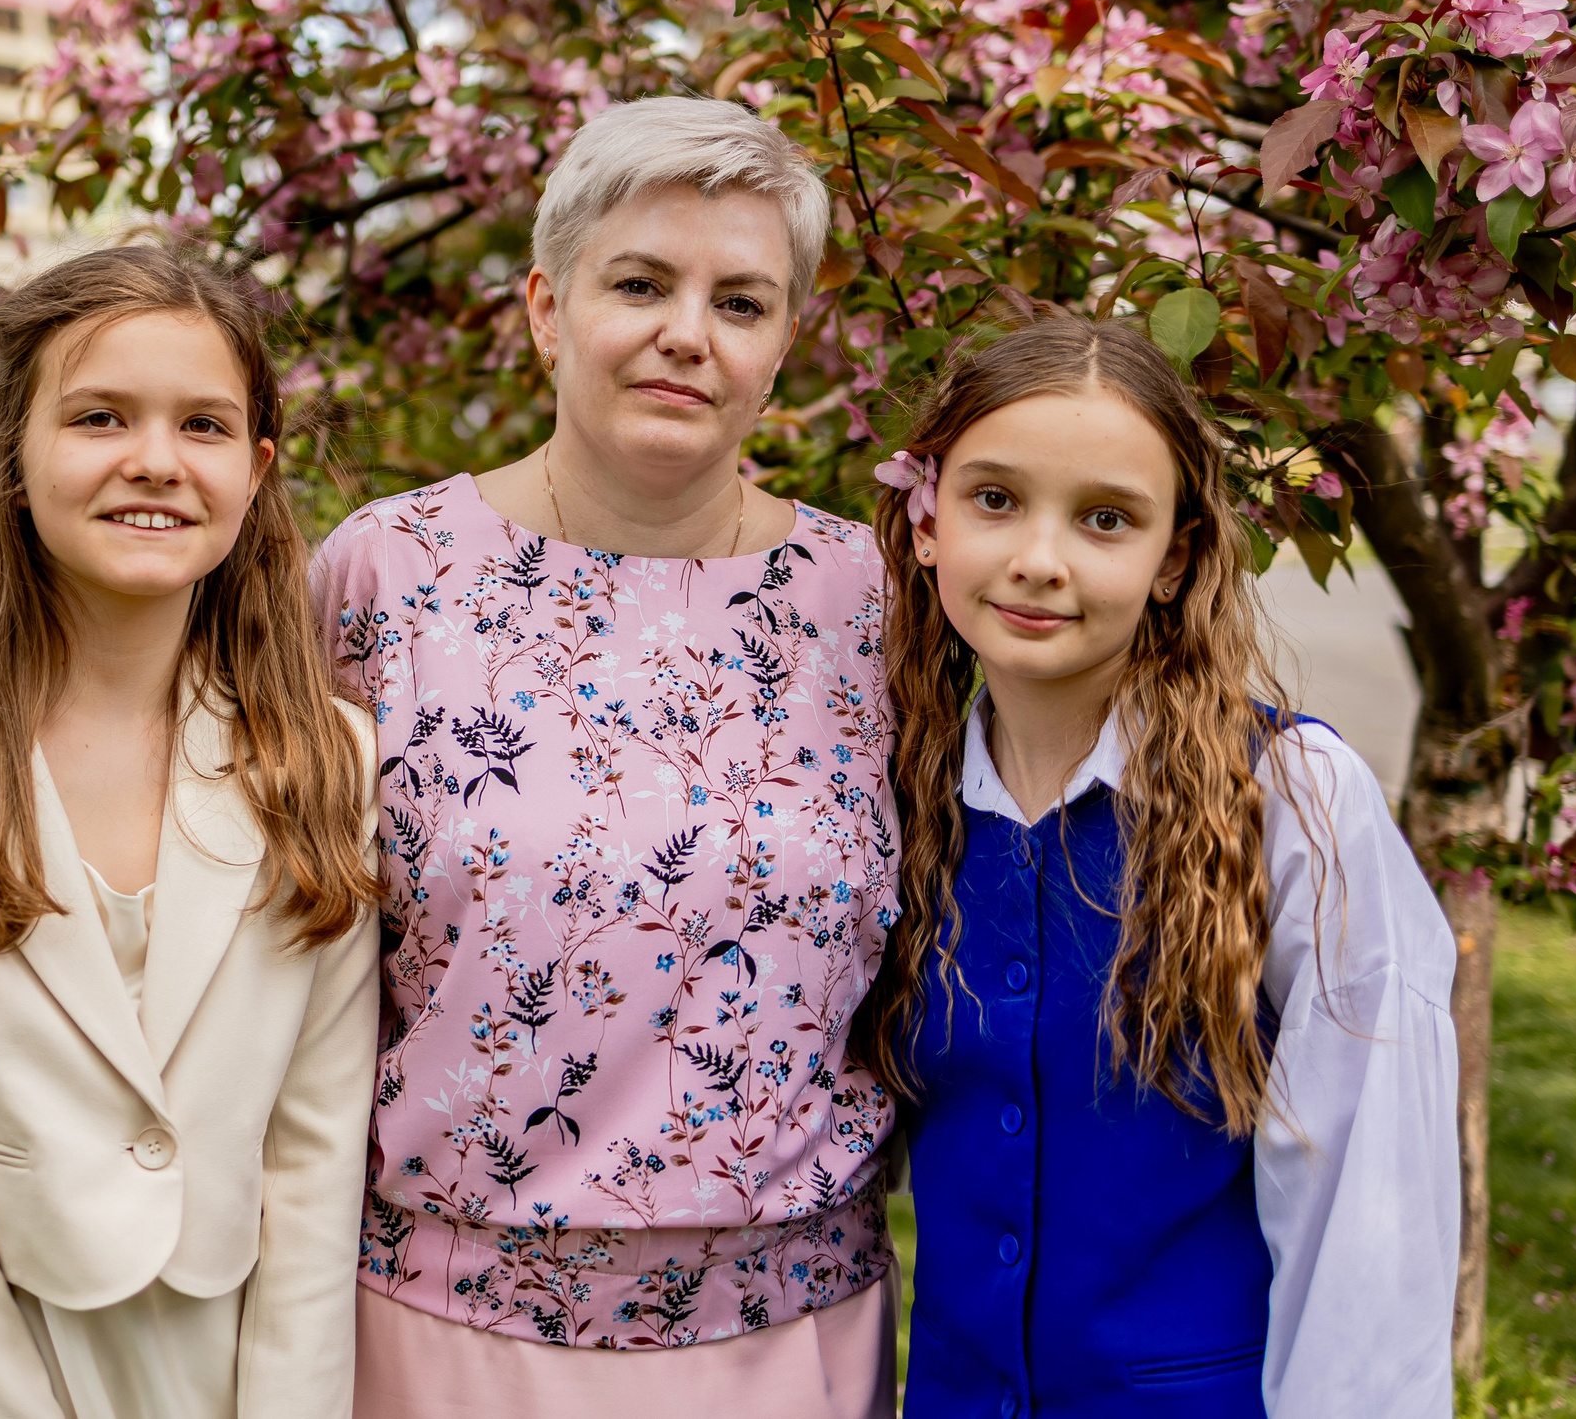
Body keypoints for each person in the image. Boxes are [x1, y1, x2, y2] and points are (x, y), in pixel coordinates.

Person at [312, 97, 904, 1416]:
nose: (686, 332)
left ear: (783, 342)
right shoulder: (385, 572)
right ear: (546, 306)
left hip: (793, 1334)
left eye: (740, 301)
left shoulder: (869, 595)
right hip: (450, 1335)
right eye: (639, 282)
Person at [0, 245, 382, 1419]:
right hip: (6, 1364)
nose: (154, 462)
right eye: (100, 417)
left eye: (203, 426)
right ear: (9, 456)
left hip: (242, 1372)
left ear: (256, 471)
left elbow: (314, 1169)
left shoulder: (326, 760)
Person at [869, 311, 1460, 1419]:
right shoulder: (900, 799)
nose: (1038, 561)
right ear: (925, 519)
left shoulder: (1291, 799)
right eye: (994, 499)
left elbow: (1364, 1210)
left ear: (1173, 556)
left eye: (1105, 519)